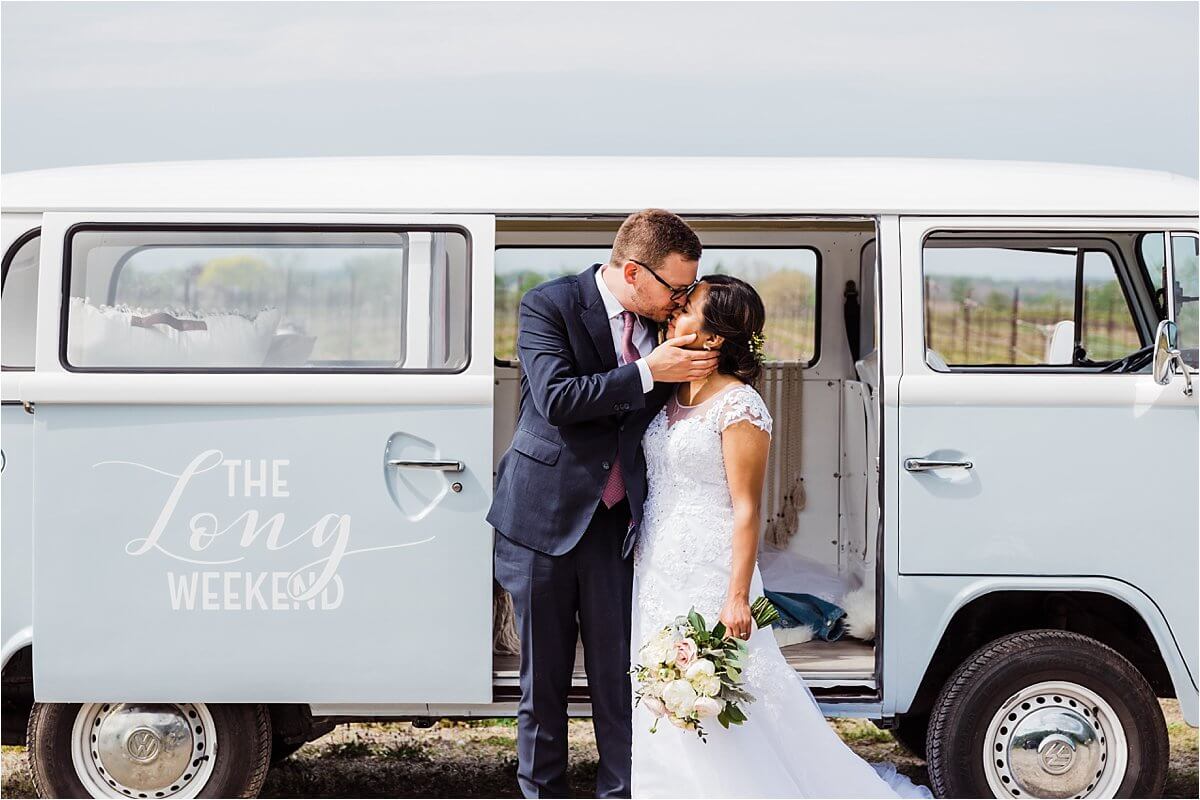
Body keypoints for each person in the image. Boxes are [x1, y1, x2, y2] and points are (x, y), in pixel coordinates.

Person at [630, 275, 933, 798]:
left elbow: (746, 510)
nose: (672, 315)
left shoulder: (739, 406)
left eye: (686, 310)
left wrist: (738, 597)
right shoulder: (668, 393)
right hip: (656, 565)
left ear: (714, 338)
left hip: (709, 567)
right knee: (658, 691)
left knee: (722, 690)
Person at [488, 209, 718, 798]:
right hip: (541, 521)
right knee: (544, 689)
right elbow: (558, 398)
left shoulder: (666, 325)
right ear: (635, 273)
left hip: (619, 525)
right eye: (677, 286)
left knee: (622, 683)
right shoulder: (549, 305)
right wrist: (647, 371)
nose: (683, 299)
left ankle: (622, 793)